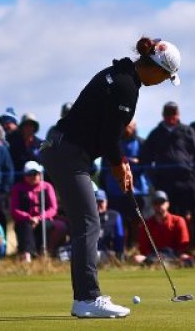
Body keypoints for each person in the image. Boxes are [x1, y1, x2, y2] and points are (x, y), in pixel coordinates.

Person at [40, 36, 180, 318]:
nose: (162, 82)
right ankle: (87, 299)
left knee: (86, 223)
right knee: (89, 224)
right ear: (156, 69)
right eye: (165, 77)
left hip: (63, 149)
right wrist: (118, 167)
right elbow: (108, 138)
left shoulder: (117, 74)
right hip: (69, 154)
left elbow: (107, 134)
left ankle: (86, 297)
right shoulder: (126, 86)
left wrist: (120, 162)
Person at [141, 101, 195, 223]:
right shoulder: (155, 134)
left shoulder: (187, 131)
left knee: (188, 215)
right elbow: (145, 157)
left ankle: (190, 242)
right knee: (167, 215)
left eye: (173, 113)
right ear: (163, 115)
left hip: (186, 181)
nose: (171, 116)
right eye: (168, 113)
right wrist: (154, 178)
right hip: (164, 182)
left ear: (178, 114)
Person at [10, 162, 61, 261]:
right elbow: (14, 209)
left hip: (44, 219)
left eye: (35, 174)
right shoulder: (18, 188)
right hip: (25, 220)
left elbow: (53, 208)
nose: (33, 176)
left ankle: (42, 252)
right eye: (30, 174)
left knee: (45, 226)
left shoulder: (47, 187)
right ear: (25, 175)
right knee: (25, 226)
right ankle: (27, 254)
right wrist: (28, 217)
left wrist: (39, 218)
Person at [133, 190, 192, 267]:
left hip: (173, 256)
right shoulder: (146, 225)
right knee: (136, 259)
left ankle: (169, 264)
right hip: (153, 257)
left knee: (186, 258)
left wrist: (177, 255)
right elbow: (144, 248)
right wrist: (153, 257)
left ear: (168, 204)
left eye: (162, 202)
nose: (159, 205)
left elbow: (183, 245)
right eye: (156, 203)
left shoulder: (178, 221)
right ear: (153, 205)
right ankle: (159, 265)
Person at [95, 190, 128, 262]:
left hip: (106, 253)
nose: (98, 204)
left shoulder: (114, 216)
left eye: (101, 202)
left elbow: (119, 239)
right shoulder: (87, 217)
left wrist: (119, 253)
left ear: (106, 202)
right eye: (96, 202)